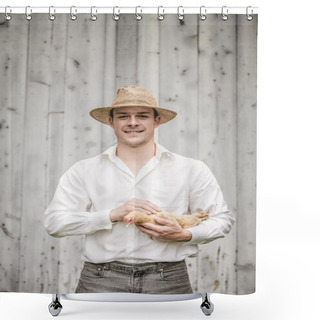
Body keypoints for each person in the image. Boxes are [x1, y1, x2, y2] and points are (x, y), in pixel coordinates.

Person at [44, 85, 235, 294]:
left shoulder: (191, 169)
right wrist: (112, 215)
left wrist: (186, 234)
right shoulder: (84, 170)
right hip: (100, 280)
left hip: (168, 279)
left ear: (157, 121)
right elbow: (55, 223)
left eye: (142, 116)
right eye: (123, 116)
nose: (132, 122)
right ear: (111, 121)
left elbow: (222, 219)